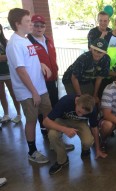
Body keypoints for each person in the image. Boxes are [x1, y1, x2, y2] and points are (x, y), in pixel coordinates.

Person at [6, 8, 52, 163]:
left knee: (49, 115)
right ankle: (32, 152)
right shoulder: (14, 44)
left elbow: (29, 60)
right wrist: (34, 92)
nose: (31, 24)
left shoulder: (25, 39)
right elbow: (21, 70)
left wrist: (41, 64)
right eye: (27, 21)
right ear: (17, 24)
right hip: (28, 92)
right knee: (31, 120)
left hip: (40, 88)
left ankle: (54, 142)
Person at [43, 94, 107, 175]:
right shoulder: (65, 101)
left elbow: (94, 128)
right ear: (76, 102)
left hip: (80, 123)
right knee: (52, 135)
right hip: (63, 120)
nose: (80, 115)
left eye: (84, 114)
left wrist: (98, 149)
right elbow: (45, 122)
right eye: (79, 111)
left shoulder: (93, 109)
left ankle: (85, 149)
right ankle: (62, 160)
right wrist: (65, 129)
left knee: (88, 141)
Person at [27, 14, 59, 137]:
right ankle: (45, 131)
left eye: (42, 26)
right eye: (36, 25)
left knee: (54, 105)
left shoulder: (48, 39)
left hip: (52, 79)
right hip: (39, 81)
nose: (39, 28)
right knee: (43, 108)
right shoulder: (27, 42)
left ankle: (55, 131)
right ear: (31, 26)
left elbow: (53, 56)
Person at [0, 23, 21, 123]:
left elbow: (10, 56)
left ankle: (19, 114)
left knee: (13, 93)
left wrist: (3, 57)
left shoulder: (6, 42)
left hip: (8, 72)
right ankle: (6, 114)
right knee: (1, 95)